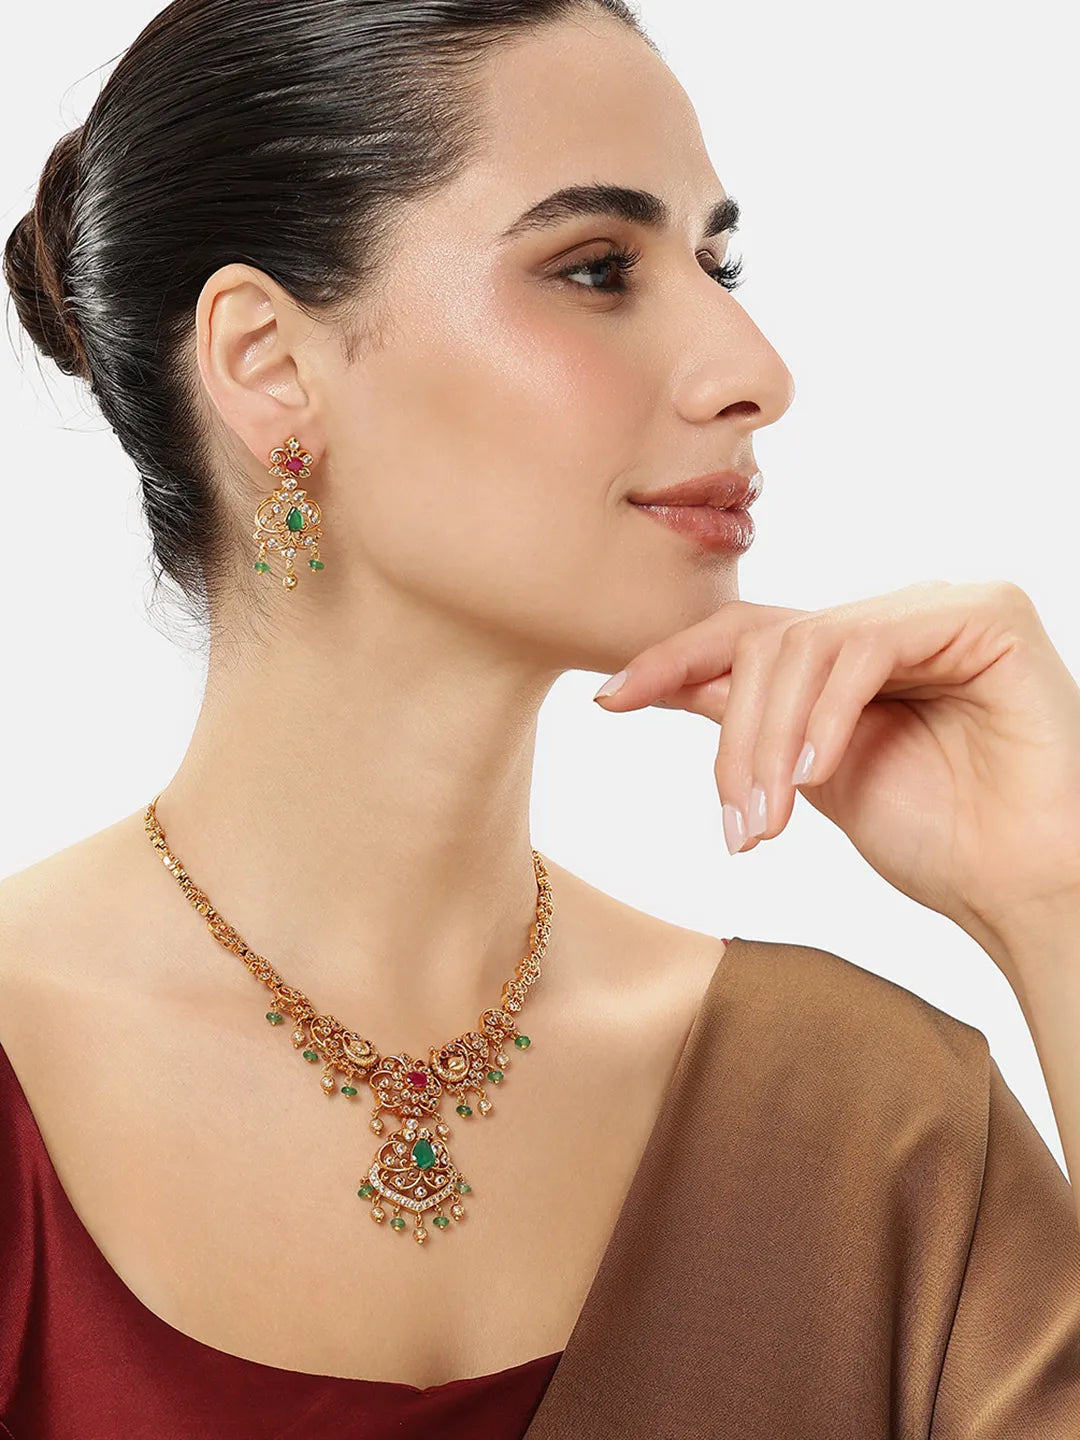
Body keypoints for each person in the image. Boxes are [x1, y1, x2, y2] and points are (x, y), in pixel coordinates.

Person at [2, 2, 1078, 1437]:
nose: (756, 372)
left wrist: (1060, 894)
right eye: (595, 269)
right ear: (268, 363)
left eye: (717, 264)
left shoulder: (872, 1126)